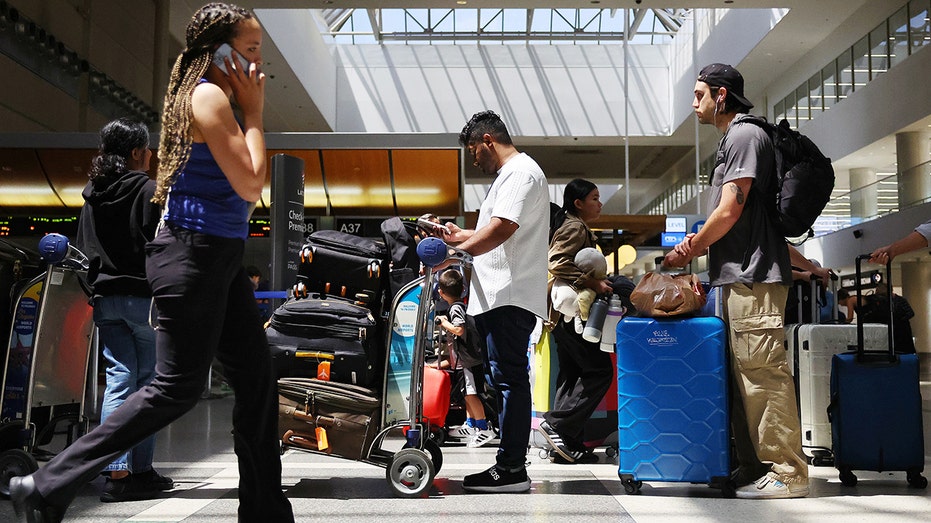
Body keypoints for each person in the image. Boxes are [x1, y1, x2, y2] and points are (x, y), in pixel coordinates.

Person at [11, 4, 294, 522]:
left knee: (256, 383)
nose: (259, 64)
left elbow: (244, 193)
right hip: (194, 255)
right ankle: (45, 483)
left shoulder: (211, 97)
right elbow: (253, 184)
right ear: (220, 51)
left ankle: (264, 511)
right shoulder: (208, 97)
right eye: (251, 50)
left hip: (216, 255)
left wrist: (248, 111)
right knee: (175, 387)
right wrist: (255, 112)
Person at [663, 63, 809, 499]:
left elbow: (730, 209)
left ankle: (788, 472)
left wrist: (689, 249)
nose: (694, 104)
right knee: (744, 377)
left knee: (763, 376)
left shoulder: (745, 136)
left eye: (699, 94)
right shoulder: (735, 138)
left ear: (721, 96)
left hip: (753, 277)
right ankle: (754, 466)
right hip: (738, 278)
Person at [442, 110, 549, 493]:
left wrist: (454, 255)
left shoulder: (521, 172)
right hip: (498, 297)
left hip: (511, 295)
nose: (474, 160)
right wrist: (458, 236)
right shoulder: (510, 177)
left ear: (488, 140)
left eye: (474, 150)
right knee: (502, 379)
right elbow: (493, 227)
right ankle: (508, 463)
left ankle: (512, 469)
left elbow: (504, 228)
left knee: (510, 379)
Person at [73, 118, 173, 503]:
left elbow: (83, 251)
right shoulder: (149, 191)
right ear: (136, 153)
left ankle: (119, 469)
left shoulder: (91, 195)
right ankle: (137, 472)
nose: (151, 156)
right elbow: (162, 244)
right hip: (143, 300)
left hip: (105, 301)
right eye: (147, 149)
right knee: (147, 386)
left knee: (120, 378)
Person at [535, 179, 613, 465]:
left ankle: (566, 443)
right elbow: (556, 262)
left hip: (559, 315)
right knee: (599, 371)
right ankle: (557, 425)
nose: (599, 203)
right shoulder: (575, 226)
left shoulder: (574, 225)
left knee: (572, 374)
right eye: (594, 198)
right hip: (571, 314)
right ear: (578, 203)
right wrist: (593, 281)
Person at [435, 269, 495, 448]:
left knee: (471, 393)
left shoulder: (456, 308)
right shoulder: (460, 305)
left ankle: (484, 427)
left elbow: (459, 329)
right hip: (466, 359)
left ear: (441, 292)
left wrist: (444, 323)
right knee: (466, 393)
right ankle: (471, 424)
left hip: (470, 360)